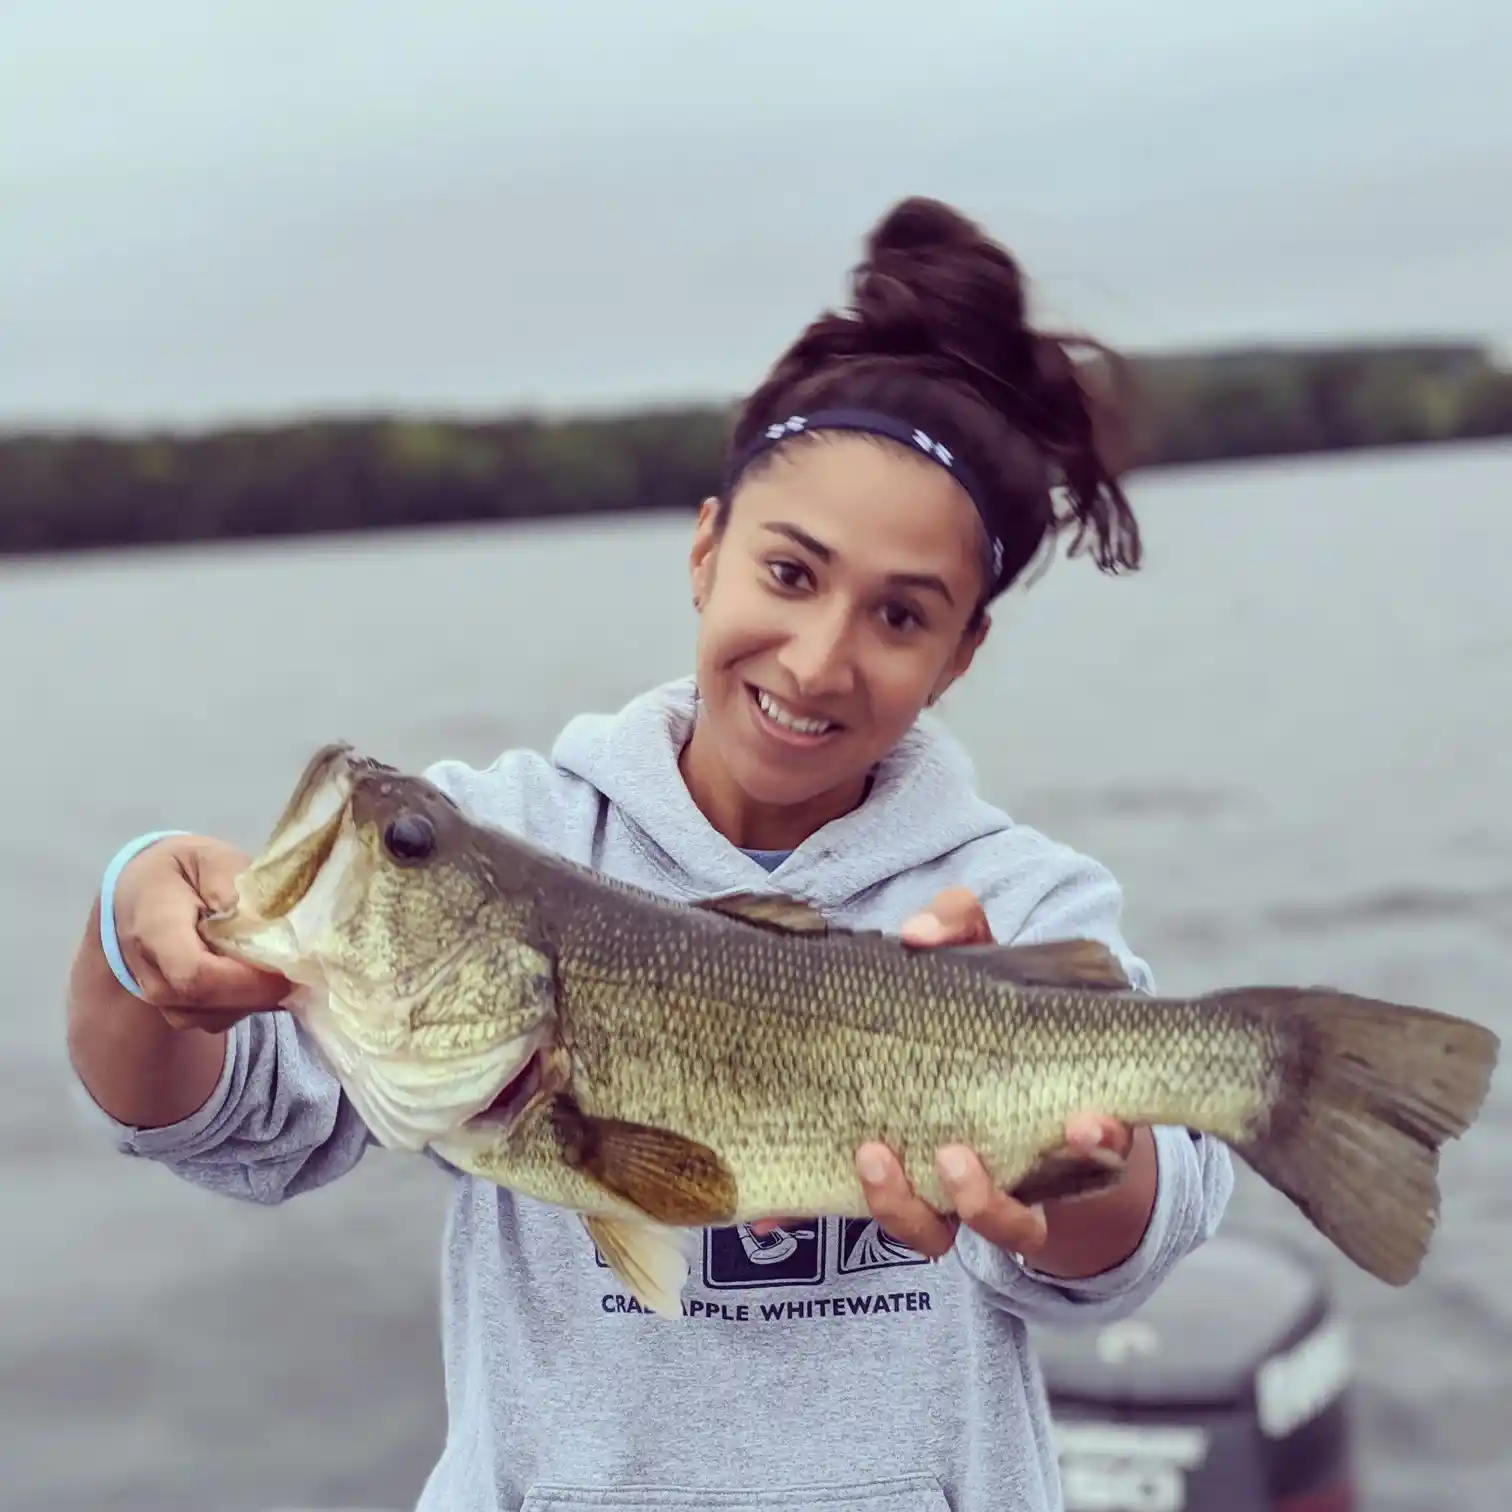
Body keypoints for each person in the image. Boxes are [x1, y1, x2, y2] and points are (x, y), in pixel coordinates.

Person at [66, 195, 1234, 1512]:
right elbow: (227, 1123)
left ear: (961, 654)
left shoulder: (1014, 900)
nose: (816, 658)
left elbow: (1134, 1238)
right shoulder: (515, 833)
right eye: (789, 574)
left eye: (900, 615)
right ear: (705, 548)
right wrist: (130, 929)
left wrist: (1076, 1177)